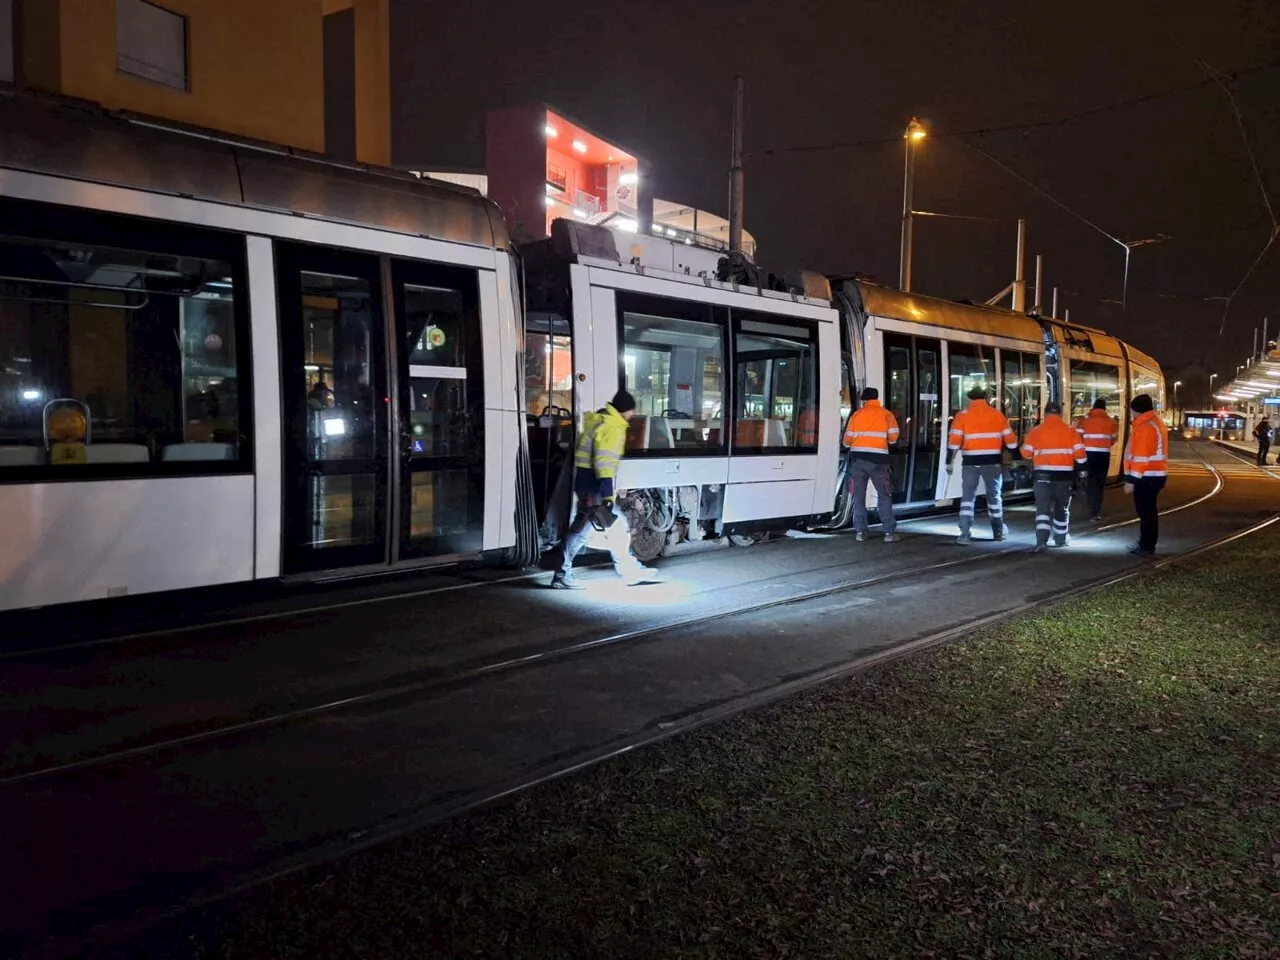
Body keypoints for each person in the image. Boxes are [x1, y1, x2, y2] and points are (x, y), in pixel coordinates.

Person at [551, 390, 656, 589]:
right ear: (624, 410)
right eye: (632, 410)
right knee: (583, 531)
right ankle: (562, 574)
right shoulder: (612, 427)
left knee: (615, 527)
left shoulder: (599, 422)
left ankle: (628, 570)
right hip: (595, 488)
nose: (633, 414)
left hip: (587, 484)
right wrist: (607, 496)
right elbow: (604, 464)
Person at [946, 384, 1019, 544]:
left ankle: (964, 533)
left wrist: (948, 461)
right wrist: (1016, 456)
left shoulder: (962, 416)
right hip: (992, 463)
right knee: (994, 497)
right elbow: (1011, 441)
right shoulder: (997, 415)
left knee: (967, 498)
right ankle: (998, 531)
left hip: (970, 463)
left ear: (970, 398)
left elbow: (954, 442)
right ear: (985, 398)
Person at [1022, 401, 1088, 552]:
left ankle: (1041, 541)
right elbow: (1081, 458)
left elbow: (1026, 453)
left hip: (1042, 476)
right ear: (1060, 414)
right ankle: (1060, 538)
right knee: (1061, 507)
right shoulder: (1071, 431)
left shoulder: (1035, 431)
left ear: (1045, 415)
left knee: (1042, 509)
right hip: (1064, 477)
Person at [842, 387, 902, 543]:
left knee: (858, 496)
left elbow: (847, 440)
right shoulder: (887, 415)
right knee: (884, 495)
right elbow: (894, 438)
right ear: (877, 398)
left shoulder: (857, 415)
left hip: (858, 462)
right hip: (879, 463)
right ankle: (889, 533)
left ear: (864, 400)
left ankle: (861, 532)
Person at [1122, 393, 1169, 556]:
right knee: (1148, 511)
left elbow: (1141, 457)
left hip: (1147, 477)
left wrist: (1131, 481)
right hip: (1154, 475)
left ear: (1136, 410)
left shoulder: (1145, 427)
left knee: (1146, 512)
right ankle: (1145, 543)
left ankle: (1147, 546)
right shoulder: (1155, 423)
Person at [1076, 398, 1119, 521]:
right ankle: (1096, 511)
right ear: (1105, 408)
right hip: (1103, 455)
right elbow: (1112, 440)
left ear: (1093, 407)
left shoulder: (1084, 421)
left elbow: (1078, 437)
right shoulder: (1111, 422)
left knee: (1091, 482)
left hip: (1088, 454)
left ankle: (1090, 507)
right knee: (1100, 483)